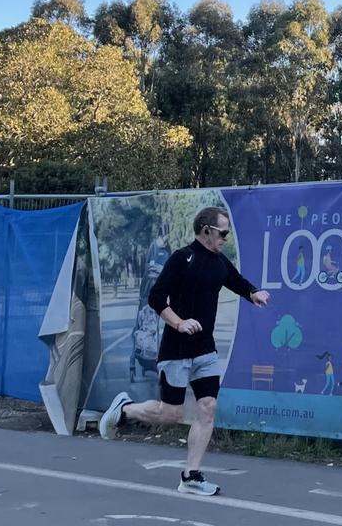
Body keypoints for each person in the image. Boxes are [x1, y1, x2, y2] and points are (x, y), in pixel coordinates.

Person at [97, 207, 270, 496]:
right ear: (206, 230)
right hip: (176, 349)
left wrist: (254, 293)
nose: (225, 238)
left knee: (208, 407)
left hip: (206, 351)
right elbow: (156, 297)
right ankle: (124, 411)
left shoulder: (218, 262)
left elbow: (236, 281)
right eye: (222, 233)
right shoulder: (182, 259)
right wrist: (178, 323)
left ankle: (191, 476)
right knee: (171, 414)